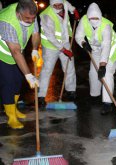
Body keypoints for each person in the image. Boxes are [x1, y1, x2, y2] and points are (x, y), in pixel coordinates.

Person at [0, 0, 40, 129]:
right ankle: (11, 117)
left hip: (17, 51)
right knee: (8, 83)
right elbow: (15, 52)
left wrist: (34, 48)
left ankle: (14, 108)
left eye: (33, 18)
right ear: (18, 14)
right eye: (27, 18)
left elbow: (35, 34)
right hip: (3, 54)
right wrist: (29, 75)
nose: (31, 21)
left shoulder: (30, 13)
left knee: (18, 81)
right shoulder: (7, 22)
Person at [75, 3, 116, 115]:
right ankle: (94, 96)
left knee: (106, 74)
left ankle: (107, 103)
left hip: (111, 48)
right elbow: (78, 35)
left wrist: (103, 65)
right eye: (92, 18)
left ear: (100, 17)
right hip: (95, 48)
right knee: (93, 73)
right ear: (88, 17)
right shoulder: (84, 20)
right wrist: (83, 43)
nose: (94, 20)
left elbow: (106, 46)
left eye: (97, 18)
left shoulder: (106, 26)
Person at [38, 0, 80, 106]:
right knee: (47, 70)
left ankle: (71, 91)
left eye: (59, 5)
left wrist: (74, 11)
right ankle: (41, 96)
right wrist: (64, 50)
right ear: (51, 4)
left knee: (69, 67)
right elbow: (50, 36)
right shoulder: (46, 16)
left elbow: (69, 6)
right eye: (55, 5)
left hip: (64, 41)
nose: (57, 7)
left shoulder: (64, 3)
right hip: (50, 46)